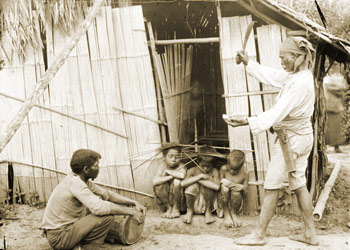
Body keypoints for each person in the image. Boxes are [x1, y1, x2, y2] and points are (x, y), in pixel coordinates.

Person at [230, 36, 319, 246]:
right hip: (301, 137)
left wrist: (247, 120)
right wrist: (248, 62)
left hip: (292, 141)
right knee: (298, 184)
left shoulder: (299, 83)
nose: (281, 61)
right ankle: (310, 234)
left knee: (271, 186)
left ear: (297, 57)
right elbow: (271, 75)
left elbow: (278, 112)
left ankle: (259, 235)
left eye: (283, 57)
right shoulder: (296, 76)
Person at [40, 149, 145, 250]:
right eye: (96, 165)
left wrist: (133, 202)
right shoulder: (76, 183)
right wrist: (130, 211)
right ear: (86, 169)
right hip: (60, 237)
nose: (99, 168)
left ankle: (82, 243)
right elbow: (99, 208)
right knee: (106, 216)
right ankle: (89, 247)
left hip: (63, 231)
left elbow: (107, 195)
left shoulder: (80, 179)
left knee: (97, 202)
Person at [181, 146, 220, 224]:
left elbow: (217, 187)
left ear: (212, 164)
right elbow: (183, 183)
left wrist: (198, 181)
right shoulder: (192, 170)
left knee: (209, 187)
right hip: (194, 201)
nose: (205, 169)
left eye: (208, 166)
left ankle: (208, 212)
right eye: (203, 166)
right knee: (191, 186)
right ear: (198, 162)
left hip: (208, 203)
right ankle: (189, 211)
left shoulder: (214, 171)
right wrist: (200, 177)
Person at [152, 142, 186, 218]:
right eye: (170, 156)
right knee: (159, 185)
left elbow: (182, 175)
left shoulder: (181, 165)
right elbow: (155, 181)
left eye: (177, 157)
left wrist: (168, 172)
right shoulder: (162, 165)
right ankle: (169, 208)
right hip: (167, 197)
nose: (173, 159)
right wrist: (171, 176)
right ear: (164, 156)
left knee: (177, 181)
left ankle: (176, 208)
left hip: (179, 199)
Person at [219, 149, 248, 228]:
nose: (231, 171)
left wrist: (241, 187)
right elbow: (218, 184)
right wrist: (222, 181)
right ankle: (226, 213)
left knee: (236, 193)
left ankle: (234, 213)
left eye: (235, 170)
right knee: (224, 188)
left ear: (241, 166)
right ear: (227, 163)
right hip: (223, 199)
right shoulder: (224, 169)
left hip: (235, 200)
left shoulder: (245, 173)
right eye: (230, 168)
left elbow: (245, 192)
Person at [323, 62, 348, 153]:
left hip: (337, 106)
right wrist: (339, 89)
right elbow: (328, 87)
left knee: (337, 128)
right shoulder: (327, 77)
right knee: (327, 127)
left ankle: (336, 146)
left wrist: (340, 89)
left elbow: (344, 87)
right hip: (329, 105)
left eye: (337, 65)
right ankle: (324, 146)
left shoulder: (340, 77)